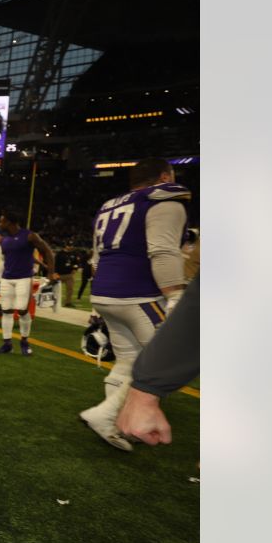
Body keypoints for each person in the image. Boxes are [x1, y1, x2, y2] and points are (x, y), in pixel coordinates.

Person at [79, 158, 192, 451]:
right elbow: (163, 251)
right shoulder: (163, 197)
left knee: (129, 360)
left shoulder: (110, 204)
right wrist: (176, 295)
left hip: (105, 291)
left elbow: (95, 257)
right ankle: (105, 416)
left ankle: (113, 423)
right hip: (138, 294)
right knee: (166, 360)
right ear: (165, 176)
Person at [115, 273, 199, 446]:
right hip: (135, 297)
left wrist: (146, 390)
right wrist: (147, 389)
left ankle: (104, 415)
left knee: (126, 357)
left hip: (110, 293)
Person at [0, 211, 58, 356]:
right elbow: (12, 258)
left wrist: (50, 272)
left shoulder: (29, 235)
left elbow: (48, 252)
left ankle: (24, 341)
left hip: (23, 277)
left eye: (1, 221)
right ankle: (7, 343)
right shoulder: (4, 240)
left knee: (22, 310)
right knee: (6, 310)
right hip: (7, 278)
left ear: (10, 222)